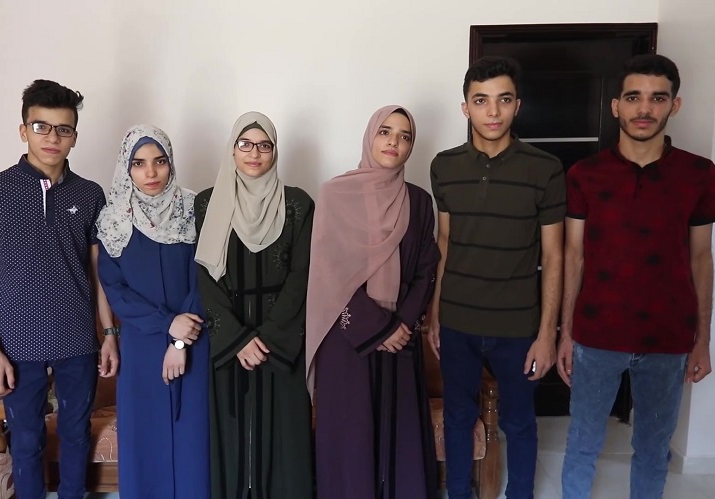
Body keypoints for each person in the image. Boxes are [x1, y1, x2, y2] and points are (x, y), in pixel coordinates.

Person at [557, 54, 715, 499]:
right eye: (633, 97)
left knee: (652, 449)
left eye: (657, 98)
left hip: (668, 337)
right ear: (616, 106)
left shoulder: (700, 175)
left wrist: (702, 340)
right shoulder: (585, 175)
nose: (644, 108)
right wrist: (565, 333)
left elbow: (701, 258)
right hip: (596, 334)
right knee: (583, 443)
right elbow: (574, 255)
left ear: (674, 105)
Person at [0, 79, 118, 499]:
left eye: (63, 129)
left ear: (74, 137)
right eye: (41, 126)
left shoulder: (90, 194)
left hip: (77, 339)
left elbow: (97, 272)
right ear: (23, 130)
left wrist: (108, 334)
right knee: (26, 441)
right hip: (16, 342)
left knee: (75, 433)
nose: (52, 137)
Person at [427, 56, 566, 499]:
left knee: (519, 421)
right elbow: (445, 242)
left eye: (503, 100)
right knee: (458, 417)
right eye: (481, 100)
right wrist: (435, 314)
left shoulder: (544, 168)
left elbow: (554, 254)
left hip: (518, 326)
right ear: (465, 107)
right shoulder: (444, 166)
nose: (493, 112)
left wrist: (547, 334)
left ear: (517, 105)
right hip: (457, 321)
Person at [307, 105, 440, 499]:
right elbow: (328, 270)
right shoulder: (335, 194)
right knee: (351, 435)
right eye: (385, 132)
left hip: (402, 335)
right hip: (346, 337)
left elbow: (426, 268)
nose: (394, 142)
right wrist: (378, 327)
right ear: (370, 136)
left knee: (399, 432)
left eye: (404, 136)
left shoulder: (419, 201)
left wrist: (402, 324)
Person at [194, 111, 314, 499]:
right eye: (245, 144)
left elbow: (302, 275)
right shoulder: (207, 203)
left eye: (265, 145)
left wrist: (268, 339)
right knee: (232, 433)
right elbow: (204, 275)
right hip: (229, 338)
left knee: (285, 437)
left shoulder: (298, 204)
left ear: (275, 151)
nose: (255, 153)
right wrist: (237, 339)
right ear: (232, 149)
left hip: (282, 340)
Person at [96, 125, 210, 498]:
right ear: (126, 167)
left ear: (170, 163)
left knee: (193, 439)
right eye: (139, 163)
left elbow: (206, 276)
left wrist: (179, 341)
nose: (151, 172)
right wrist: (166, 323)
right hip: (142, 348)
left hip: (194, 340)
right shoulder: (113, 221)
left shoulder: (193, 210)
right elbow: (115, 289)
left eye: (159, 161)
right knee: (145, 439)